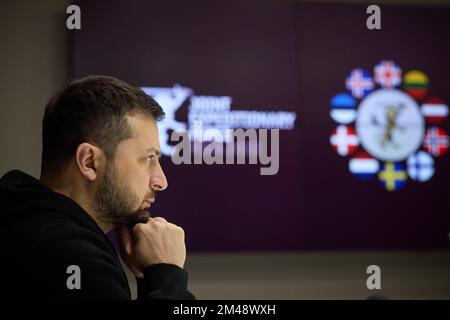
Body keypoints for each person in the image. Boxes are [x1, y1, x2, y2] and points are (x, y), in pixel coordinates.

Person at [0, 76, 195, 300]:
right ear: (89, 162)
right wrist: (167, 278)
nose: (161, 181)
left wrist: (149, 280)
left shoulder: (24, 224)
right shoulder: (71, 254)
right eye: (148, 158)